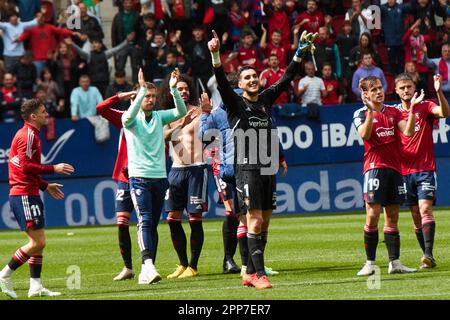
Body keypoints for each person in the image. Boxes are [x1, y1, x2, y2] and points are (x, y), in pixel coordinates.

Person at [208, 29, 317, 289]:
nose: (253, 79)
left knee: (264, 222)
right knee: (254, 219)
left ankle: (250, 270)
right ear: (241, 84)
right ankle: (257, 275)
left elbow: (288, 76)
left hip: (267, 167)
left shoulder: (266, 99)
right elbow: (222, 81)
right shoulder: (235, 103)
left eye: (255, 76)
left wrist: (300, 51)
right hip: (247, 169)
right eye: (247, 77)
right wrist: (215, 54)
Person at [0, 99, 74, 299]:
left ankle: (35, 287)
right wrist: (54, 168)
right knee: (38, 243)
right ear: (33, 116)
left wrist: (44, 185)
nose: (46, 115)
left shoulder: (30, 134)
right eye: (43, 112)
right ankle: (4, 274)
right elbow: (25, 167)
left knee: (38, 242)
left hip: (30, 190)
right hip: (24, 193)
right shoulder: (28, 136)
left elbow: (23, 169)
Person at [122, 68, 187, 284]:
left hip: (160, 177)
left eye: (152, 96)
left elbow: (180, 111)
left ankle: (146, 269)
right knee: (145, 220)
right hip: (139, 177)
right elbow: (128, 117)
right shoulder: (130, 118)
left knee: (153, 223)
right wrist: (141, 90)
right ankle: (148, 265)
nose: (150, 99)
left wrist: (172, 90)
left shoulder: (159, 117)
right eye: (147, 96)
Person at [353, 75, 419, 276]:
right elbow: (364, 135)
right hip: (374, 168)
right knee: (372, 215)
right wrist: (371, 113)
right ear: (365, 94)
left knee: (392, 217)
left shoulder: (393, 111)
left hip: (395, 169)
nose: (379, 92)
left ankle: (394, 262)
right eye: (373, 90)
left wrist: (412, 111)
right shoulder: (360, 113)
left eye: (380, 88)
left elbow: (407, 133)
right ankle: (370, 263)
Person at [393, 73, 449, 268]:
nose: (406, 90)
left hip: (425, 168)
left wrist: (439, 91)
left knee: (425, 209)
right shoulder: (393, 113)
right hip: (403, 172)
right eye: (402, 87)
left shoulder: (426, 106)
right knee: (416, 215)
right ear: (396, 90)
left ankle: (428, 255)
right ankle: (427, 254)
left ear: (414, 87)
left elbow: (444, 113)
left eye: (409, 86)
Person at [162, 73, 208, 280]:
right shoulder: (167, 115)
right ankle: (182, 264)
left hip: (197, 169)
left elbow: (212, 132)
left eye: (185, 88)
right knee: (172, 219)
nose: (183, 91)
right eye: (179, 89)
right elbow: (163, 137)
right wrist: (180, 124)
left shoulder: (199, 112)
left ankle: (193, 265)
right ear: (172, 92)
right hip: (176, 169)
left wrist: (207, 111)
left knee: (194, 219)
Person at [96, 89, 138, 281]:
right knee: (122, 223)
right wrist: (120, 96)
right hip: (125, 177)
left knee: (147, 224)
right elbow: (100, 108)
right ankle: (128, 267)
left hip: (146, 176)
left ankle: (149, 265)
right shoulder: (124, 118)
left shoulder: (154, 119)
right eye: (135, 98)